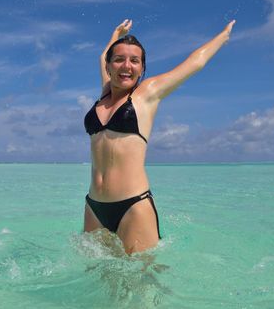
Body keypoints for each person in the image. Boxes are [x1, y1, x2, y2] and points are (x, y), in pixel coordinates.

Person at [84, 19, 235, 254]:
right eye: (119, 59)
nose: (127, 65)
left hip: (133, 205)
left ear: (142, 69)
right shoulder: (104, 96)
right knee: (95, 278)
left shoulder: (147, 94)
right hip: (94, 206)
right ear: (109, 66)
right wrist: (115, 33)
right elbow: (102, 54)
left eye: (135, 60)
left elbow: (196, 62)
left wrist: (223, 36)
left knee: (141, 285)